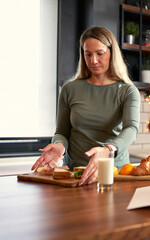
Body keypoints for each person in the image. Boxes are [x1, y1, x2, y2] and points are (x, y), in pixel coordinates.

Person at [31, 26, 140, 185]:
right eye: (87, 54)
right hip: (74, 173)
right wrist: (60, 145)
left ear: (112, 53)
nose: (93, 60)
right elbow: (62, 131)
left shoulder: (128, 91)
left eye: (100, 53)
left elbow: (131, 129)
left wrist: (107, 151)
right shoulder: (70, 89)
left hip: (113, 173)